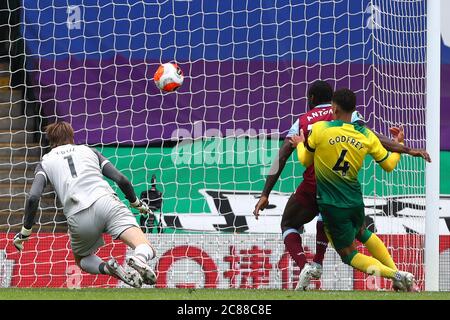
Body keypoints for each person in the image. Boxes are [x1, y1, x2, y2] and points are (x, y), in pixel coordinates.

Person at [253, 80, 430, 290]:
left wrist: (266, 193)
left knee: (294, 226)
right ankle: (396, 277)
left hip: (318, 190)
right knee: (362, 231)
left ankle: (310, 266)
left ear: (311, 100)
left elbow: (285, 158)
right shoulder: (358, 126)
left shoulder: (309, 124)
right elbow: (380, 140)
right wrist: (404, 148)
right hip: (351, 194)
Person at [291, 88, 415, 291]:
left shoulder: (321, 129)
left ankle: (397, 275)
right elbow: (389, 165)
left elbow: (305, 160)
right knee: (362, 232)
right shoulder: (366, 135)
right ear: (354, 110)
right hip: (355, 201)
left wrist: (299, 144)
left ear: (334, 108)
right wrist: (398, 144)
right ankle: (397, 275)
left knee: (349, 255)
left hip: (332, 205)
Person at [13, 122, 157, 288]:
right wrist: (136, 202)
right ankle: (138, 259)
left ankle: (109, 269)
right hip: (106, 202)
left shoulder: (45, 162)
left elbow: (33, 197)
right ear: (72, 137)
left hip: (77, 215)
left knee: (82, 259)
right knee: (144, 246)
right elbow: (121, 179)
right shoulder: (90, 151)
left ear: (51, 141)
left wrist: (25, 232)